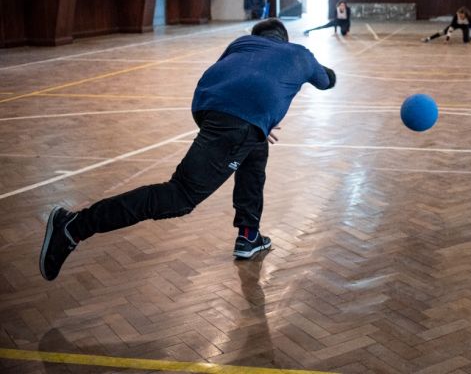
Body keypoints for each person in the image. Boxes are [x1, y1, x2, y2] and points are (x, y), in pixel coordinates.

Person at [39, 19, 337, 281]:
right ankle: (74, 226)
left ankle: (249, 235)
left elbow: (233, 76)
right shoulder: (298, 53)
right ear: (283, 38)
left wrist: (256, 115)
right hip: (235, 123)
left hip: (208, 108)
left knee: (256, 147)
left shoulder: (242, 43)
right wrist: (318, 67)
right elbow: (327, 81)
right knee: (180, 197)